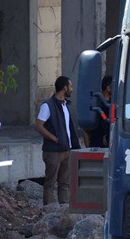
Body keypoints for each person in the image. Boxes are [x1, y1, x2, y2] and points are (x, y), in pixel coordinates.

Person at [35, 76, 81, 205]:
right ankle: (48, 210)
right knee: (50, 182)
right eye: (70, 86)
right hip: (53, 151)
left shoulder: (65, 105)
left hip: (66, 149)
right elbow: (39, 125)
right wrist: (54, 138)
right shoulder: (47, 105)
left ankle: (63, 209)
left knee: (64, 183)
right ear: (64, 87)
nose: (72, 89)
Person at [85, 75, 112, 148]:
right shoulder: (96, 104)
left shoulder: (114, 104)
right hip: (97, 145)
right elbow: (86, 130)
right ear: (108, 88)